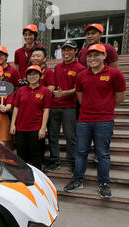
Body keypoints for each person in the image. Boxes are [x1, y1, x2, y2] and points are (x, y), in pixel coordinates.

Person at [64, 44, 126, 199]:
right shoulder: (81, 76)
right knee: (81, 151)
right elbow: (80, 95)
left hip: (104, 120)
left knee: (103, 153)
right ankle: (78, 180)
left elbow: (120, 97)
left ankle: (103, 183)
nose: (92, 58)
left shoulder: (115, 73)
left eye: (96, 55)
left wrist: (105, 107)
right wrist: (89, 107)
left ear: (104, 56)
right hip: (84, 119)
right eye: (90, 56)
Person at [46, 40, 85, 172]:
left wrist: (64, 93)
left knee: (70, 136)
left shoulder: (80, 68)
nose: (66, 52)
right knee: (53, 135)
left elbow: (78, 89)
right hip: (54, 106)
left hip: (69, 107)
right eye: (64, 50)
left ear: (76, 51)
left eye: (69, 49)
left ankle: (72, 162)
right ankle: (55, 160)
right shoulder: (57, 67)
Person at [10, 65, 51, 170]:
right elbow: (16, 108)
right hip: (20, 128)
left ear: (40, 76)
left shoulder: (45, 91)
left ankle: (37, 180)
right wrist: (12, 124)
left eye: (35, 74)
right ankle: (23, 177)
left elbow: (46, 110)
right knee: (21, 155)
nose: (32, 77)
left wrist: (43, 128)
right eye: (29, 74)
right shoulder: (21, 90)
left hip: (36, 128)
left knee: (36, 156)